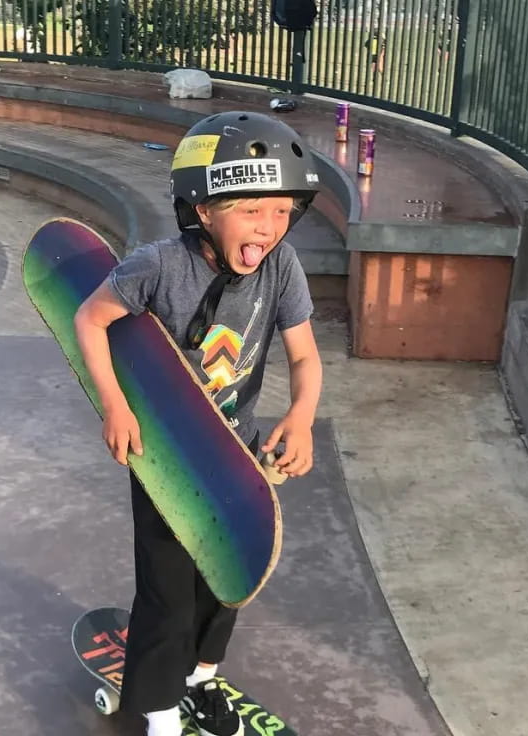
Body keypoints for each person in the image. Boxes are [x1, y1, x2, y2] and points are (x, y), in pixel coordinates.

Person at [73, 111, 324, 736]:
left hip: (238, 455)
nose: (267, 227)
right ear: (203, 209)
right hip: (164, 458)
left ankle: (200, 682)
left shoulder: (282, 267)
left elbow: (304, 355)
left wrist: (302, 414)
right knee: (167, 591)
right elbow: (89, 319)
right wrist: (115, 404)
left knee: (229, 577)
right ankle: (159, 713)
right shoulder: (158, 266)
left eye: (280, 211)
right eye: (250, 209)